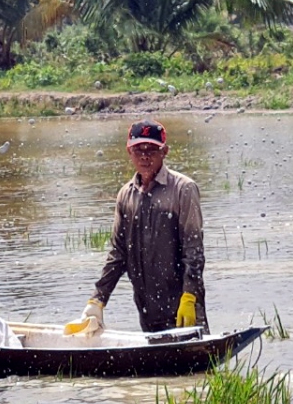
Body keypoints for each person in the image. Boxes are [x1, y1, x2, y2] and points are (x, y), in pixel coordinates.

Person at [70, 119, 207, 334]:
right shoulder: (126, 195)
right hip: (146, 301)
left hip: (183, 301)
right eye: (138, 149)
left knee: (196, 360)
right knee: (156, 362)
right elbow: (118, 254)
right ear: (129, 152)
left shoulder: (183, 189)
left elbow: (194, 251)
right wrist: (98, 299)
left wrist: (190, 295)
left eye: (152, 149)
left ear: (165, 151)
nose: (145, 156)